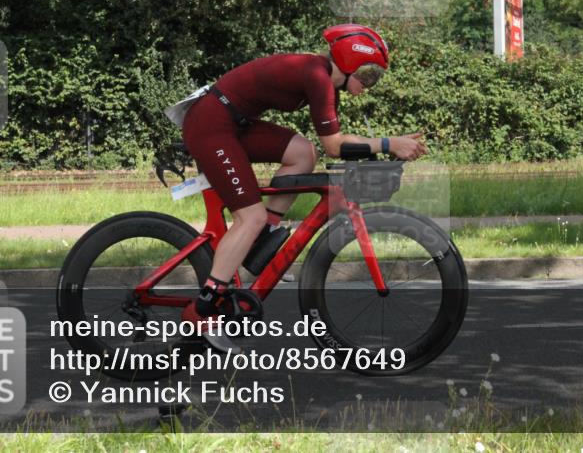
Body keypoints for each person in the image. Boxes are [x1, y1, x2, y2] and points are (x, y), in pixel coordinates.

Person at [180, 24, 427, 351]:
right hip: (211, 124)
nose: (370, 84)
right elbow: (336, 147)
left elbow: (329, 144)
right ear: (349, 64)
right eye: (369, 75)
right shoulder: (317, 76)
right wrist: (387, 143)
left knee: (302, 153)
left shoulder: (325, 79)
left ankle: (262, 238)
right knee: (248, 216)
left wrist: (390, 143)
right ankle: (204, 309)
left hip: (231, 121)